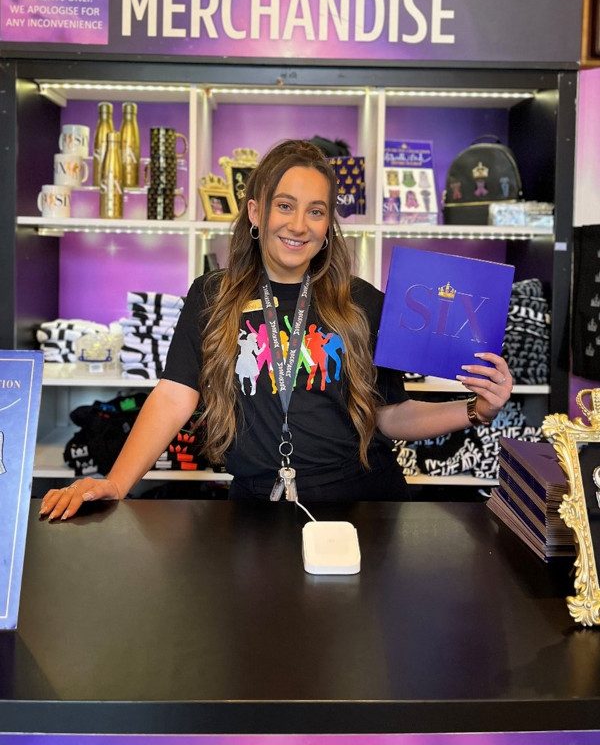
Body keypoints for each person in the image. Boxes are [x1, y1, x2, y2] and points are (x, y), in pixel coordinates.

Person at [40, 139, 512, 519]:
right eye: (285, 205)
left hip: (362, 509)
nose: (299, 224)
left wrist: (475, 409)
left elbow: (389, 417)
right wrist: (116, 482)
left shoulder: (362, 303)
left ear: (329, 225)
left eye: (316, 211)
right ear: (255, 212)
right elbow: (174, 394)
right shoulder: (212, 296)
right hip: (254, 510)